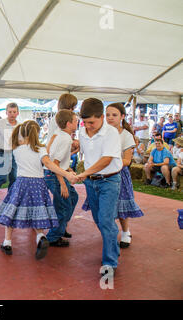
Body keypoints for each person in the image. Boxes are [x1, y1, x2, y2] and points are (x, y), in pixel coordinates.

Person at [0, 120, 78, 260]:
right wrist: (66, 173)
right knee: (38, 212)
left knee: (12, 212)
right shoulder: (40, 149)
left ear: (22, 133)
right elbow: (49, 164)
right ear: (37, 133)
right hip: (38, 184)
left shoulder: (17, 148)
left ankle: (7, 242)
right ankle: (40, 237)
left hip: (21, 183)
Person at [82, 103, 144, 248]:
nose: (110, 118)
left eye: (114, 115)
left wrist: (108, 161)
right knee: (104, 209)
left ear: (122, 117)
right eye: (108, 114)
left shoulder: (126, 135)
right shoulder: (97, 132)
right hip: (98, 172)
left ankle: (125, 231)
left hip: (116, 173)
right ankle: (109, 233)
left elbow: (127, 160)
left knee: (122, 204)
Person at [76, 98, 123, 278]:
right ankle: (113, 246)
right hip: (91, 182)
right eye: (85, 122)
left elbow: (106, 159)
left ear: (102, 117)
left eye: (91, 122)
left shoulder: (111, 133)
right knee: (99, 219)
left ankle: (109, 263)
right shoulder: (82, 130)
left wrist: (83, 173)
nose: (88, 126)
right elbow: (85, 148)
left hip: (109, 181)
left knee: (105, 221)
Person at [44, 110, 79, 247]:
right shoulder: (65, 138)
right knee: (63, 206)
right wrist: (62, 183)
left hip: (55, 173)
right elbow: (55, 163)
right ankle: (53, 236)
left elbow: (57, 158)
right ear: (69, 123)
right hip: (55, 175)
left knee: (73, 197)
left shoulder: (59, 134)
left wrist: (68, 169)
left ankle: (61, 227)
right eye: (76, 121)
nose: (77, 123)